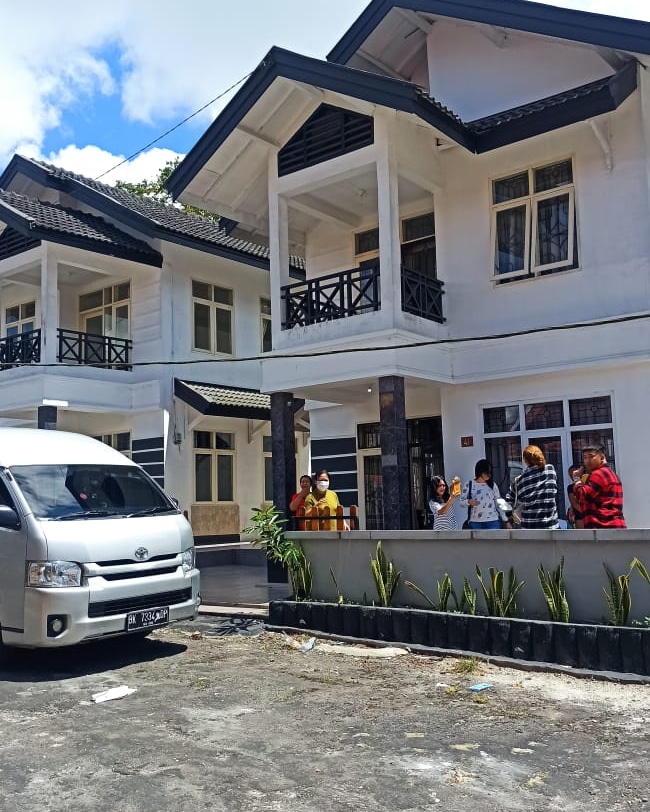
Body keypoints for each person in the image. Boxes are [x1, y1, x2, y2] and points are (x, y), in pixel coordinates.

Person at [571, 445, 626, 528]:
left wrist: (576, 479)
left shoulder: (598, 474)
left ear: (602, 457)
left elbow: (583, 496)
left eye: (591, 457)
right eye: (585, 458)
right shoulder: (611, 474)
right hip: (614, 525)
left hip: (602, 526)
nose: (587, 461)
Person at [505, 445, 558, 529]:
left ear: (525, 460)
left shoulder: (519, 481)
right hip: (551, 527)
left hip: (529, 528)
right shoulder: (550, 470)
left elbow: (507, 502)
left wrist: (509, 517)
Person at [460, 459, 509, 530]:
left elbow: (499, 503)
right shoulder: (469, 484)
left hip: (493, 521)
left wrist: (506, 521)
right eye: (486, 472)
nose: (489, 474)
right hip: (475, 522)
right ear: (480, 471)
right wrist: (469, 501)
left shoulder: (493, 485)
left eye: (490, 472)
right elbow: (461, 502)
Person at [566, 464, 584, 529]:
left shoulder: (588, 483)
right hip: (580, 516)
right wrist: (586, 512)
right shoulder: (571, 487)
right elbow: (574, 503)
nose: (572, 476)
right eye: (570, 475)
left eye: (573, 474)